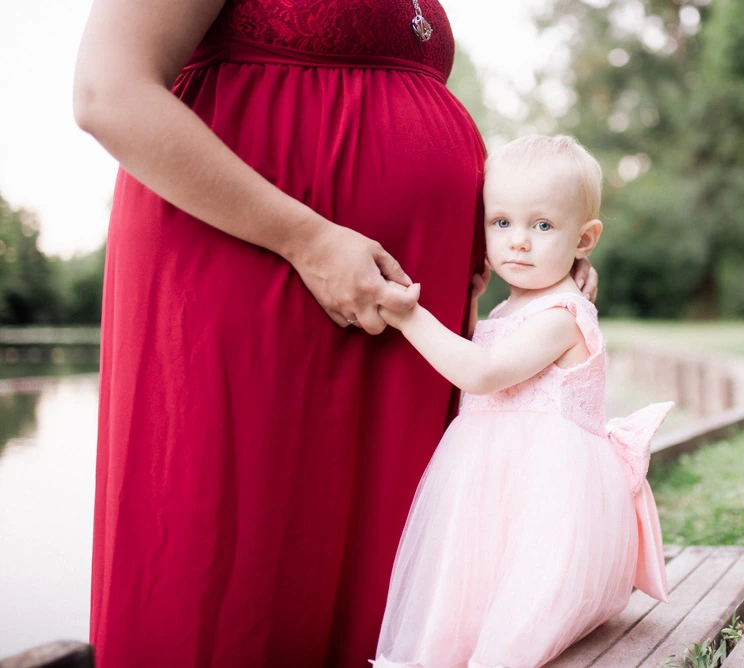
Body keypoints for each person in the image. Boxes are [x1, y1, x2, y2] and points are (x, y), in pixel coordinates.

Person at [73, 2, 598, 666]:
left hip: (392, 314)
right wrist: (307, 239)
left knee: (379, 572)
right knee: (243, 565)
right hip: (255, 273)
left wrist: (537, 260)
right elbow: (107, 91)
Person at [371, 135, 672, 668]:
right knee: (471, 579)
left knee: (523, 599)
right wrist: (469, 301)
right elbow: (478, 349)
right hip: (491, 478)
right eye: (501, 223)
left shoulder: (563, 315)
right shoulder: (509, 310)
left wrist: (406, 315)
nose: (518, 243)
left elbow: (482, 373)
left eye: (543, 226)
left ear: (585, 239)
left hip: (546, 488)